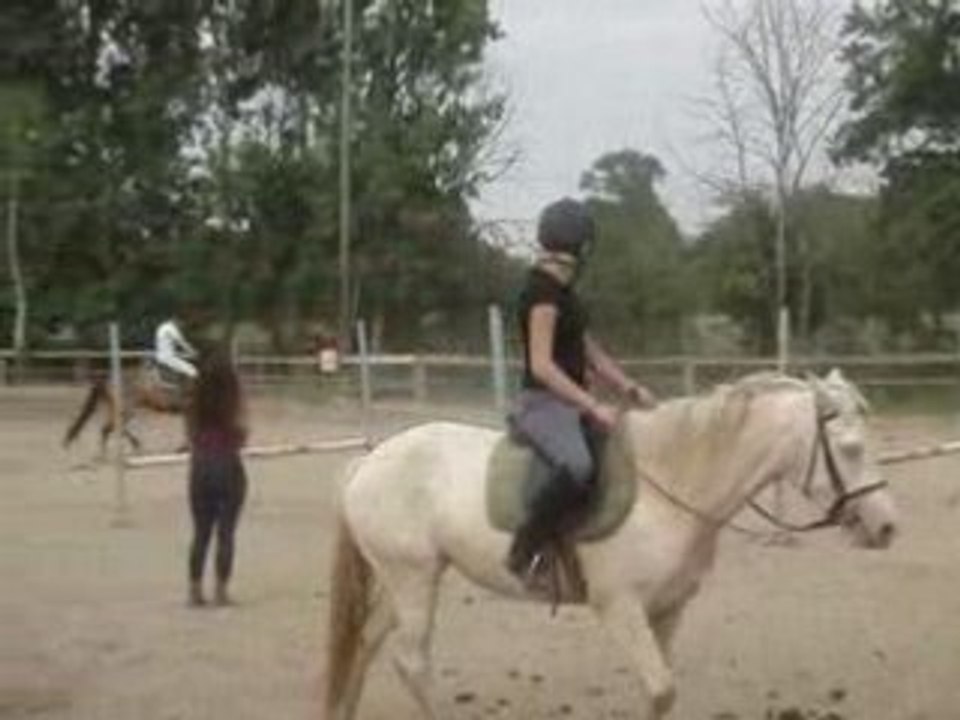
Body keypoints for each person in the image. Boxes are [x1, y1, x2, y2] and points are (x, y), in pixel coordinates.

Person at [506, 197, 656, 583]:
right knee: (578, 465)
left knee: (618, 449)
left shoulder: (566, 295)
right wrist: (592, 405)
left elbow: (591, 353)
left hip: (568, 403)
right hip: (543, 404)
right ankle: (527, 550)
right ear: (581, 245)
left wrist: (628, 386)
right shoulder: (541, 294)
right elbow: (541, 365)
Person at [186, 347, 249, 607]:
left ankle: (195, 589)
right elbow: (240, 437)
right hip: (227, 465)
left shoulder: (194, 405)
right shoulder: (231, 404)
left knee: (201, 533)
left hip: (200, 466)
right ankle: (221, 590)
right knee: (226, 533)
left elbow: (191, 436)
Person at [155, 312, 198, 382]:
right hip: (168, 358)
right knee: (194, 372)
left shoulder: (162, 326)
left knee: (184, 366)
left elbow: (168, 346)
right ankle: (191, 390)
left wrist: (187, 353)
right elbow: (181, 342)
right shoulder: (171, 329)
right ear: (177, 320)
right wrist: (192, 351)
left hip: (161, 356)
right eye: (181, 323)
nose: (181, 326)